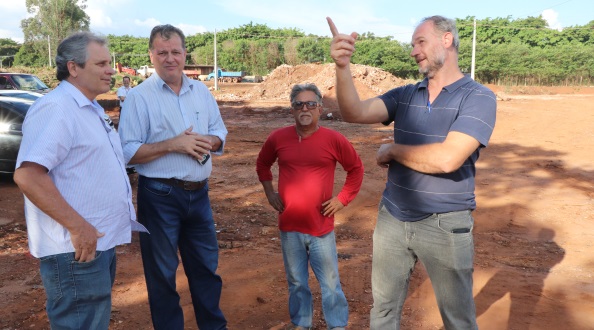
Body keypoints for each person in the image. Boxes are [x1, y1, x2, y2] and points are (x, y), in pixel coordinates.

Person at [327, 15, 497, 330]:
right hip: (392, 217)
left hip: (445, 224)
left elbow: (448, 159)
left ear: (447, 39)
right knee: (383, 311)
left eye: (421, 42)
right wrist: (342, 67)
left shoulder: (478, 97)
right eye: (412, 45)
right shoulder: (405, 94)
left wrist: (392, 151)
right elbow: (354, 112)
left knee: (458, 319)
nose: (413, 51)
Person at [13, 31, 146, 329]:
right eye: (101, 64)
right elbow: (28, 175)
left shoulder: (88, 108)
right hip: (75, 250)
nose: (111, 70)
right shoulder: (57, 108)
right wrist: (78, 226)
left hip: (94, 244)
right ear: (74, 68)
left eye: (109, 63)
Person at [118, 24, 228, 330]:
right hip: (159, 197)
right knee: (162, 275)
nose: (170, 58)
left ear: (184, 54)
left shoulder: (201, 90)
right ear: (151, 55)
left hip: (200, 195)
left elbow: (219, 131)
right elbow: (126, 151)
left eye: (175, 52)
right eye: (162, 52)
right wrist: (174, 145)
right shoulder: (139, 97)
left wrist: (210, 142)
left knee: (206, 269)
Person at [256, 83, 364, 330]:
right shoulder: (277, 138)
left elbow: (356, 169)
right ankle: (301, 323)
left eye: (310, 104)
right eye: (299, 104)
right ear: (292, 109)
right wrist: (269, 192)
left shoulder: (334, 139)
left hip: (321, 228)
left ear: (319, 108)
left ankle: (337, 325)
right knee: (296, 282)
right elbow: (262, 164)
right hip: (290, 226)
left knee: (330, 283)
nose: (305, 108)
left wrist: (342, 199)